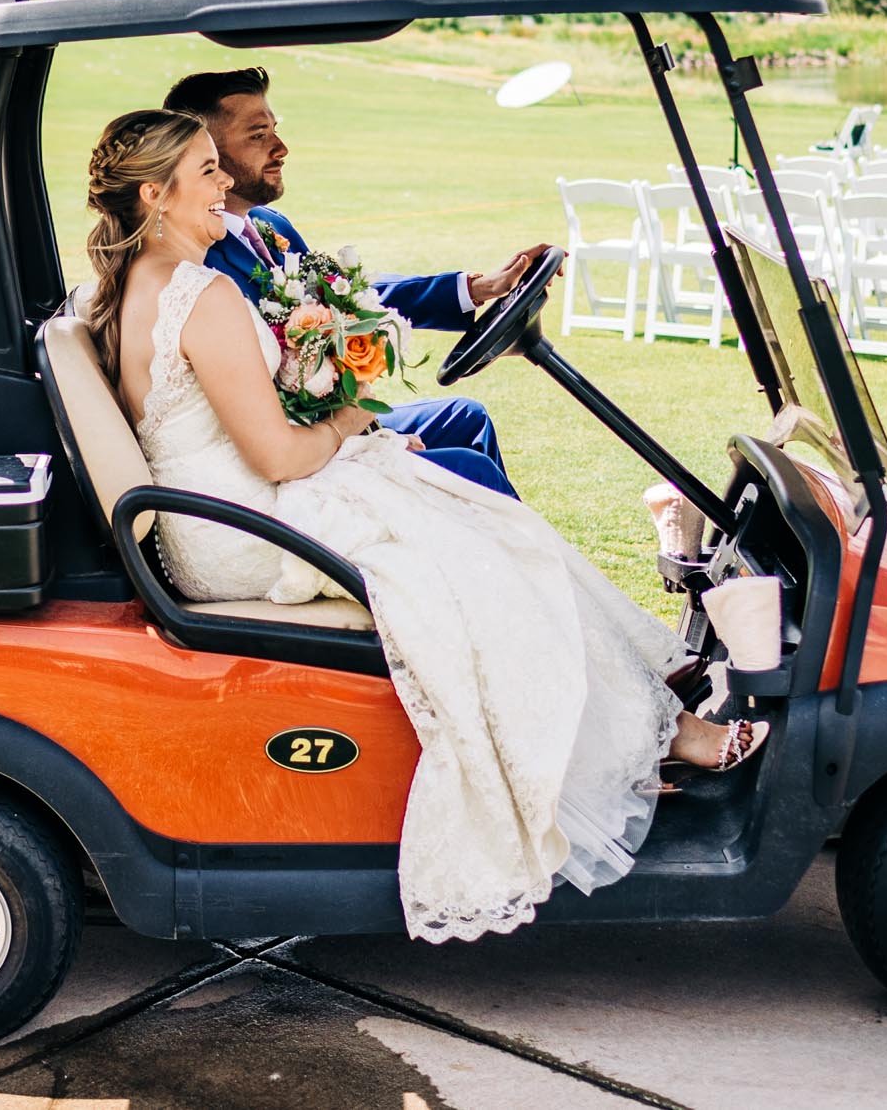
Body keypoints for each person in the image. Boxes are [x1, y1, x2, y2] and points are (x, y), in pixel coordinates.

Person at [86, 109, 762, 945]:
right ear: (155, 193)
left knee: (477, 513)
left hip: (218, 520)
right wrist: (349, 412)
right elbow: (275, 456)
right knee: (489, 549)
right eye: (205, 169)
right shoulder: (203, 295)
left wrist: (343, 419)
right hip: (249, 525)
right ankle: (661, 733)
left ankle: (646, 717)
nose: (225, 180)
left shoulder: (139, 287)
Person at [165, 66, 547, 498]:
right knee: (470, 468)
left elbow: (347, 301)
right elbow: (266, 401)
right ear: (204, 155)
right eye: (258, 136)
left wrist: (475, 289)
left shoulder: (269, 224)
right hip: (297, 444)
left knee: (466, 417)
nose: (281, 148)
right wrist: (367, 437)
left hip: (337, 420)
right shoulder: (203, 263)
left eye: (276, 130)